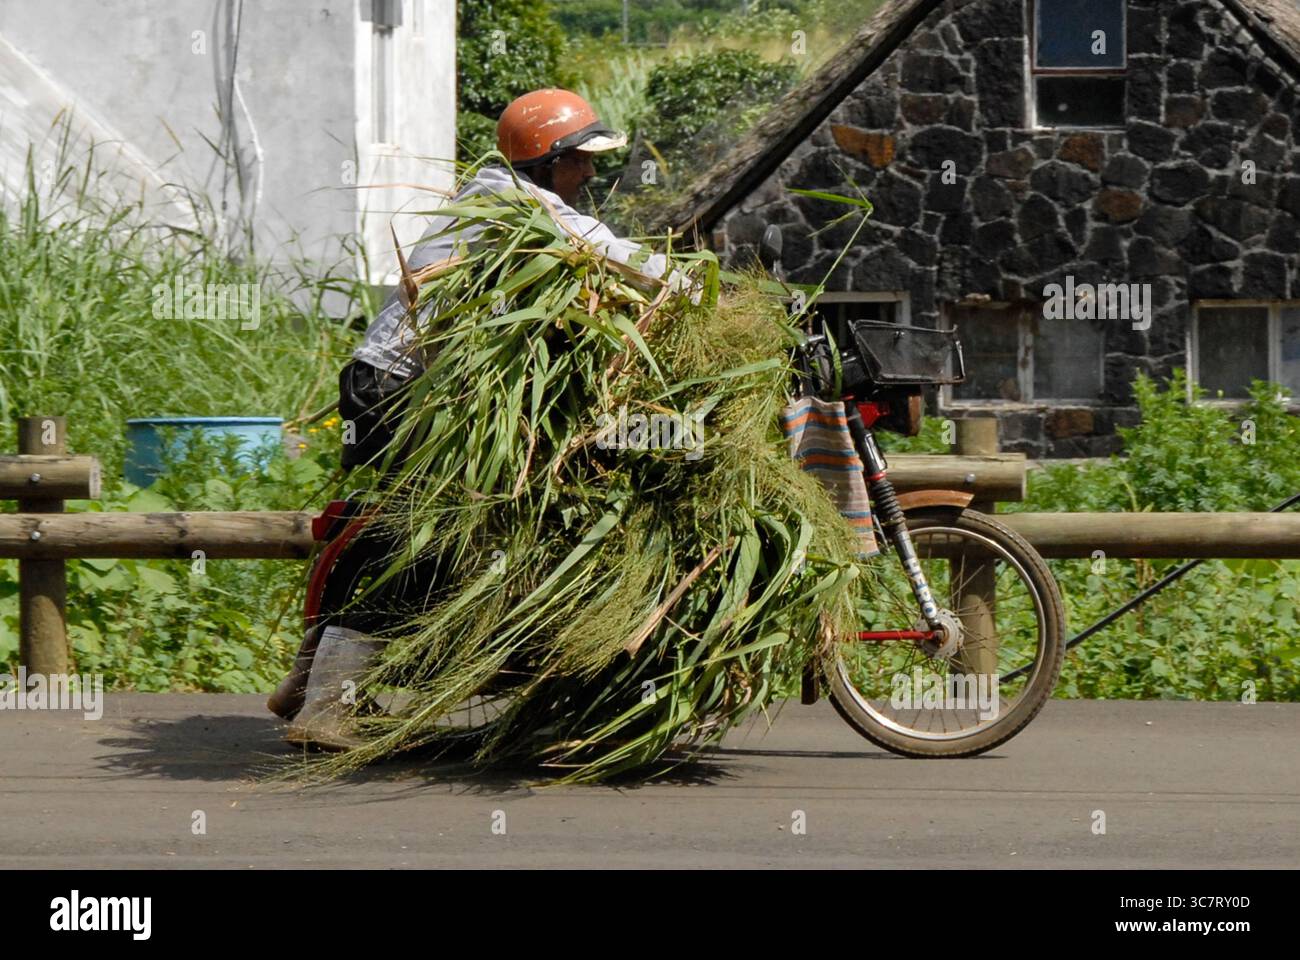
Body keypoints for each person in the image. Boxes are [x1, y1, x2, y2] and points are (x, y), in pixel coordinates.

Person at [270, 89, 690, 749]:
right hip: (400, 390)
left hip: (383, 382)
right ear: (547, 161)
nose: (588, 174)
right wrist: (703, 289)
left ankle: (309, 682)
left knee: (385, 529)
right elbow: (618, 257)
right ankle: (329, 708)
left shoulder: (495, 197)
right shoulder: (523, 207)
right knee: (422, 541)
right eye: (579, 160)